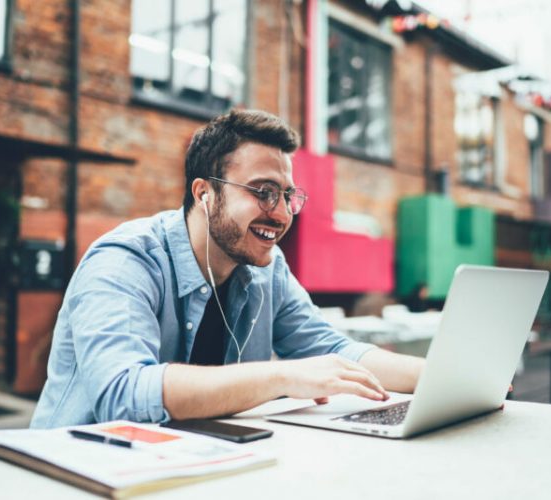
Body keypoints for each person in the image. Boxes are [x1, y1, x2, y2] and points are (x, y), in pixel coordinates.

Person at [31, 109, 425, 428]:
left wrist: (443, 378)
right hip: (80, 475)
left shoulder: (266, 269)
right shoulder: (126, 260)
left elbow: (337, 353)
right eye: (264, 192)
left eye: (288, 196)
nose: (282, 213)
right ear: (204, 193)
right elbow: (124, 395)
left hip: (189, 466)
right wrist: (282, 377)